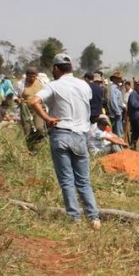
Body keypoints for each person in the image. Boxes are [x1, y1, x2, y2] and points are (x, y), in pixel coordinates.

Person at [28, 53, 101, 230]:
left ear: (56, 68)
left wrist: (46, 117)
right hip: (80, 136)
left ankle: (74, 218)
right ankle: (94, 218)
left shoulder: (54, 85)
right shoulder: (84, 86)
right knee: (83, 180)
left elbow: (33, 101)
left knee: (67, 180)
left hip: (61, 133)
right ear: (71, 69)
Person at [16, 67, 47, 151]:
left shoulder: (42, 83)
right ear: (26, 76)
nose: (32, 78)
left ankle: (37, 139)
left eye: (34, 76)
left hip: (38, 109)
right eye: (30, 77)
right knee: (27, 131)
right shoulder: (20, 84)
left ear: (36, 76)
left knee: (39, 128)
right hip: (26, 111)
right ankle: (31, 151)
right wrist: (18, 100)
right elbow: (15, 96)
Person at [127, 80, 139, 148]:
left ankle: (133, 145)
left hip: (136, 116)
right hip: (137, 116)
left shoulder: (136, 93)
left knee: (136, 132)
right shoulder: (134, 93)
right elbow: (133, 104)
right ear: (135, 85)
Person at [108, 72, 125, 138]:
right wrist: (117, 111)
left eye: (119, 78)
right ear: (114, 79)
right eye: (118, 78)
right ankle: (118, 146)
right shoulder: (113, 88)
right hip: (116, 113)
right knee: (117, 131)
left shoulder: (117, 88)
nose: (119, 80)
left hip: (119, 111)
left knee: (118, 129)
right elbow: (113, 101)